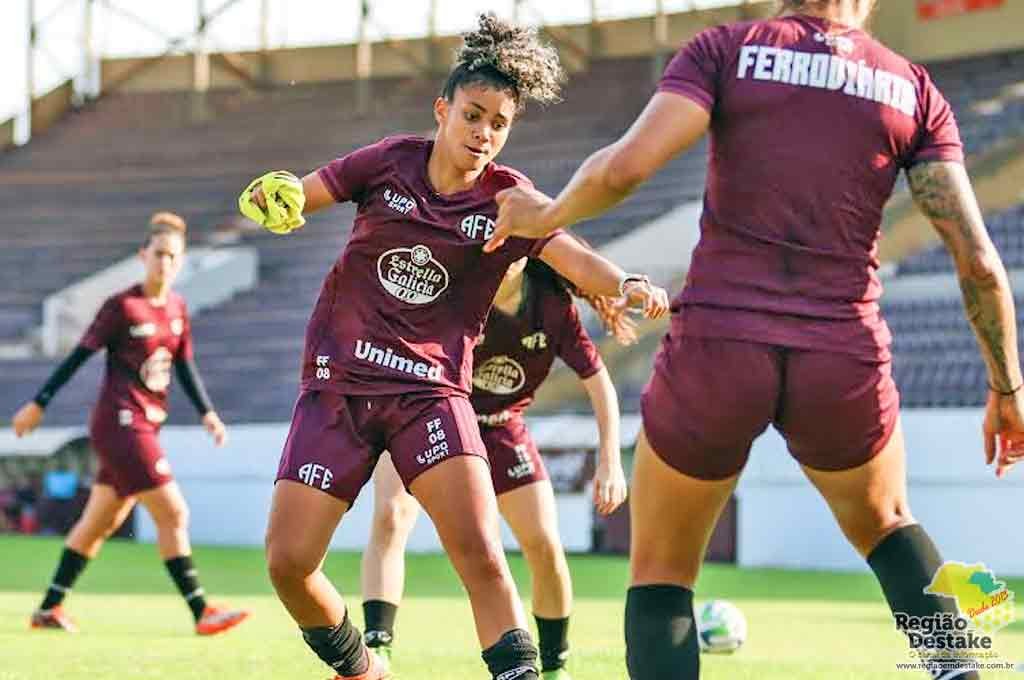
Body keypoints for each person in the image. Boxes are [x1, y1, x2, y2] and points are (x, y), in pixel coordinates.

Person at [485, 1, 1024, 678]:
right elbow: (978, 260)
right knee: (889, 526)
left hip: (719, 345)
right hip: (841, 354)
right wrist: (1007, 386)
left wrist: (551, 213)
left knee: (663, 573)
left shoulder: (727, 51)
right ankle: (962, 670)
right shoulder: (913, 89)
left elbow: (625, 169)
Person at [239, 14, 668, 680]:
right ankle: (363, 668)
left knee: (484, 560)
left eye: (499, 123)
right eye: (473, 114)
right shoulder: (387, 162)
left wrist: (627, 284)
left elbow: (576, 257)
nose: (483, 133)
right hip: (338, 387)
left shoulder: (510, 199)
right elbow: (306, 195)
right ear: (442, 109)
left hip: (429, 398)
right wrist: (281, 196)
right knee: (288, 565)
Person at [360, 253, 634, 679]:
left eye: (513, 246)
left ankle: (555, 667)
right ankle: (377, 654)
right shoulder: (458, 292)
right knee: (391, 515)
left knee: (544, 544)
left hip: (504, 427)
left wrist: (611, 460)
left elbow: (600, 383)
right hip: (431, 414)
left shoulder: (551, 305)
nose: (503, 255)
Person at [11, 212, 249, 636]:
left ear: (181, 262)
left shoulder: (177, 307)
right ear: (143, 255)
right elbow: (78, 356)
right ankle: (201, 610)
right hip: (121, 424)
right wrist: (39, 403)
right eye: (158, 254)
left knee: (99, 523)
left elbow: (184, 365)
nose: (165, 263)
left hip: (146, 425)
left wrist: (207, 413)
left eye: (173, 256)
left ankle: (48, 608)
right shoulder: (122, 306)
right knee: (174, 512)